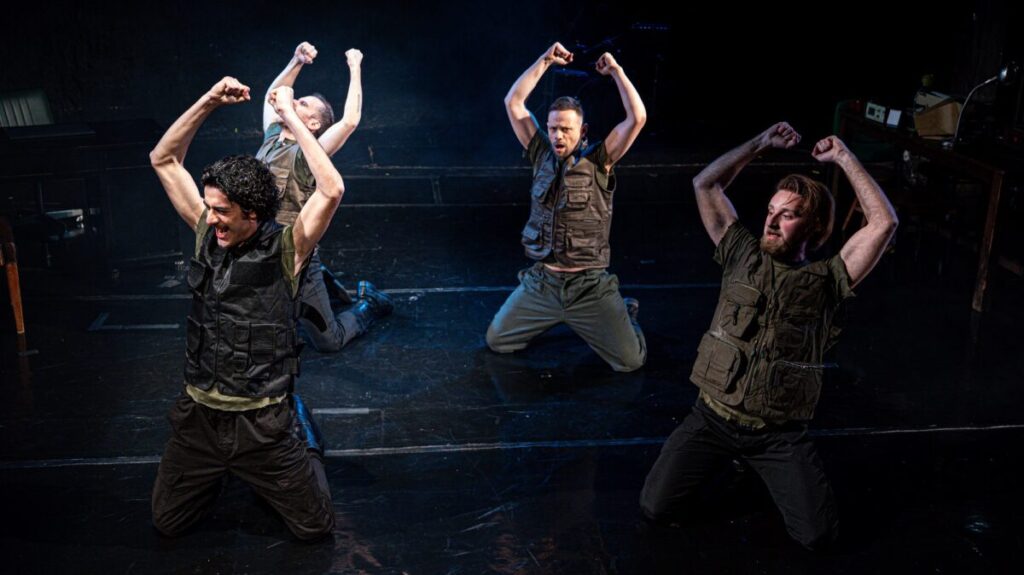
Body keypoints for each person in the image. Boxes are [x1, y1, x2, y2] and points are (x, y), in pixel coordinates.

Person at [639, 122, 898, 549]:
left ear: (814, 226)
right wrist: (759, 143)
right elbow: (705, 184)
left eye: (788, 215)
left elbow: (884, 223)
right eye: (771, 211)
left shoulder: (828, 279)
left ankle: (759, 469)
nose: (772, 222)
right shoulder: (740, 252)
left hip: (776, 434)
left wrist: (843, 157)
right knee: (655, 508)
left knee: (817, 536)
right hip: (711, 419)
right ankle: (728, 463)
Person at [149, 77, 347, 540]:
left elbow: (332, 189)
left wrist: (292, 117)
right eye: (209, 207)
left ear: (252, 213)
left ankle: (304, 436)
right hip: (199, 420)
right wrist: (209, 101)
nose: (210, 217)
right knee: (167, 522)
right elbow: (164, 159)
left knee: (314, 529)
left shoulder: (287, 249)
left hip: (263, 425)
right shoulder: (206, 231)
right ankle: (217, 473)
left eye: (222, 211)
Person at [486, 42, 647, 372]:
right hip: (543, 284)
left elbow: (637, 118)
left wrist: (616, 72)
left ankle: (624, 314)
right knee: (497, 341)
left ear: (582, 131)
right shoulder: (540, 154)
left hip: (588, 287)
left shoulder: (600, 160)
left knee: (630, 362)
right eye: (553, 128)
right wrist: (545, 60)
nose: (557, 136)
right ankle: (552, 315)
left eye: (565, 130)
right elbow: (513, 102)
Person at [258, 41, 391, 353]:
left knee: (329, 341)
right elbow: (272, 95)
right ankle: (328, 286)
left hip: (296, 251)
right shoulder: (272, 136)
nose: (294, 101)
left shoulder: (312, 151)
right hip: (260, 248)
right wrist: (296, 60)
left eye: (302, 103)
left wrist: (355, 67)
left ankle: (369, 304)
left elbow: (350, 120)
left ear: (313, 123)